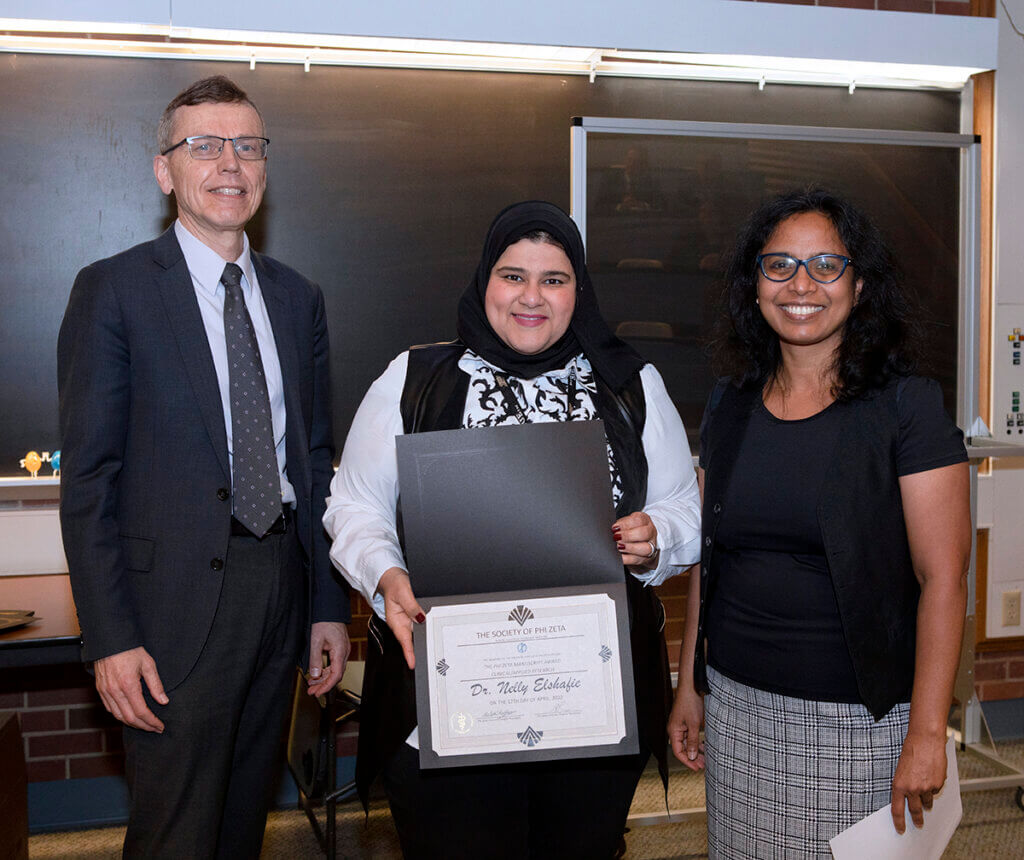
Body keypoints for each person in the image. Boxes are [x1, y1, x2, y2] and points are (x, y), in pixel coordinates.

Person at [324, 200, 701, 858]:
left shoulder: (630, 385)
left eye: (554, 279)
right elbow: (354, 505)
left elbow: (684, 512)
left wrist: (657, 534)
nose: (532, 296)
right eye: (512, 275)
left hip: (591, 706)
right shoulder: (414, 379)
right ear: (484, 282)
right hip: (448, 707)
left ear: (578, 291)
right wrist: (387, 573)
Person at [57, 75, 350, 859]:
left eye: (248, 146)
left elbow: (315, 462)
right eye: (205, 145)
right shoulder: (113, 292)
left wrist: (328, 605)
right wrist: (109, 637)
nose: (230, 162)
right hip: (170, 611)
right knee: (176, 835)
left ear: (265, 165)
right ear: (166, 171)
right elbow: (87, 483)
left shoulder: (298, 299)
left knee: (241, 827)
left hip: (279, 593)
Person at [667, 189, 971, 857]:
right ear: (753, 284)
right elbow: (710, 563)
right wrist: (690, 685)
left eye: (825, 265)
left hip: (858, 726)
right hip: (738, 709)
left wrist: (925, 733)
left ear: (859, 286)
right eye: (779, 266)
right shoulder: (730, 402)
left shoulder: (906, 408)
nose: (801, 285)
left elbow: (943, 579)